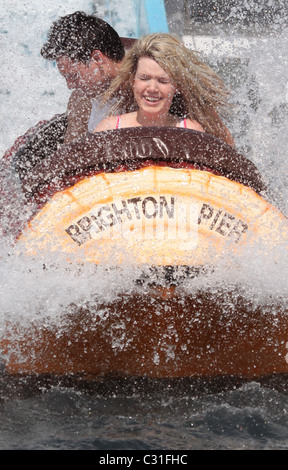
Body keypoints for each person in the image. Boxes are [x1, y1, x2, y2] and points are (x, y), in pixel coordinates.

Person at [94, 33, 234, 147]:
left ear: (177, 86)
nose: (152, 88)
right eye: (144, 78)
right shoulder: (110, 129)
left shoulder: (190, 131)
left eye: (162, 81)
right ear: (133, 82)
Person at [41, 11, 125, 143]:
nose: (70, 85)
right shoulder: (81, 99)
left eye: (74, 76)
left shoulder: (145, 88)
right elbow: (70, 157)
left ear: (97, 58)